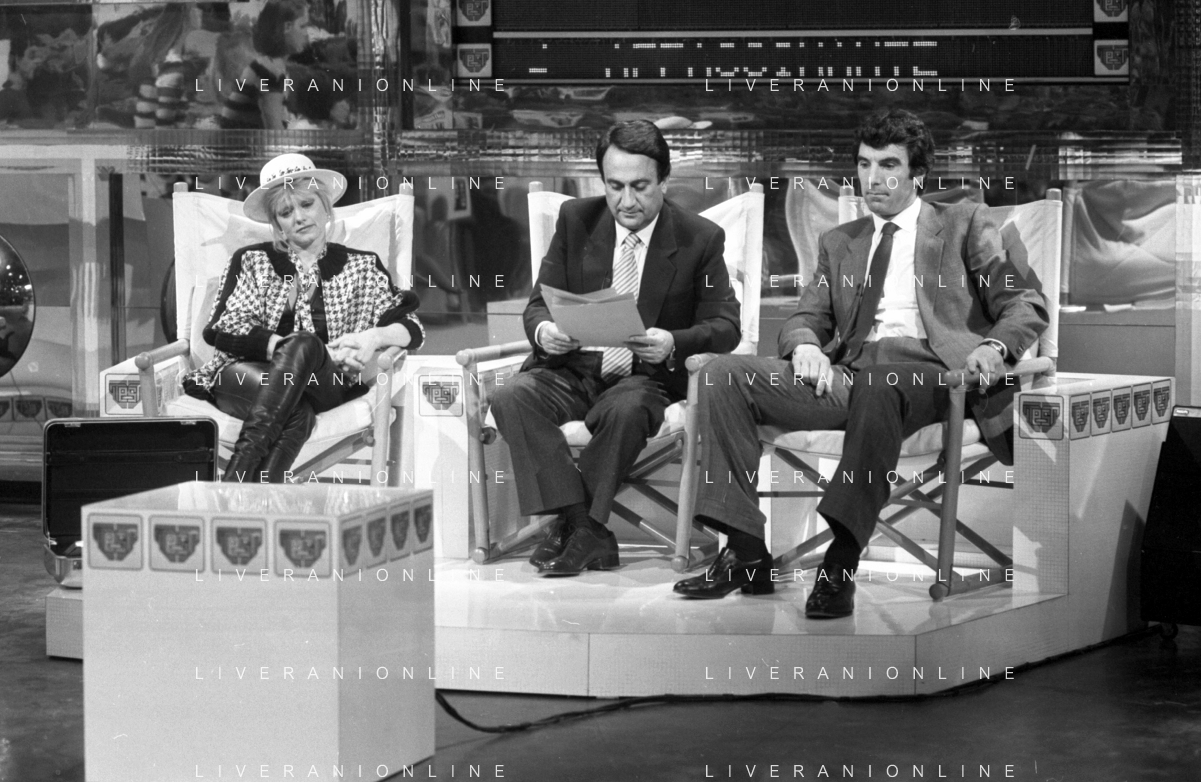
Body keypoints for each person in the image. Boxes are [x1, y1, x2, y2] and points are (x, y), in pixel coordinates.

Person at [672, 109, 1049, 617]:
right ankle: (745, 552)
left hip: (937, 376)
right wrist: (805, 345)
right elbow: (806, 316)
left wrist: (995, 349)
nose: (873, 178)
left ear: (918, 174)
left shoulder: (964, 224)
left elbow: (1025, 303)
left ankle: (840, 563)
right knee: (722, 375)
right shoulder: (840, 241)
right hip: (851, 377)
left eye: (888, 165)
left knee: (880, 381)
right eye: (865, 164)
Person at [490, 119, 741, 576]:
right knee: (511, 395)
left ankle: (576, 529)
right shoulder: (577, 221)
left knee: (627, 410)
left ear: (664, 180)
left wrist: (673, 342)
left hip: (645, 380)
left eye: (640, 187)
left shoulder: (699, 238)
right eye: (615, 186)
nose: (626, 201)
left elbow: (726, 325)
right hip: (574, 371)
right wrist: (545, 331)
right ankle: (585, 527)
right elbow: (537, 305)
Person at [181, 153, 424, 483]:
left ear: (325, 205)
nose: (298, 217)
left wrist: (373, 337)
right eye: (286, 212)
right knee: (299, 412)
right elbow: (222, 329)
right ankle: (253, 498)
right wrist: (284, 347)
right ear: (276, 223)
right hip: (246, 375)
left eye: (307, 204)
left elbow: (412, 328)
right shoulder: (252, 260)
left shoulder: (362, 266)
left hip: (322, 385)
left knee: (306, 348)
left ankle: (232, 483)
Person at [218, 0, 310, 130]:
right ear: (287, 27)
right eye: (302, 26)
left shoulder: (268, 64)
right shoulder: (270, 71)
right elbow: (274, 131)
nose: (306, 34)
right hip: (241, 141)